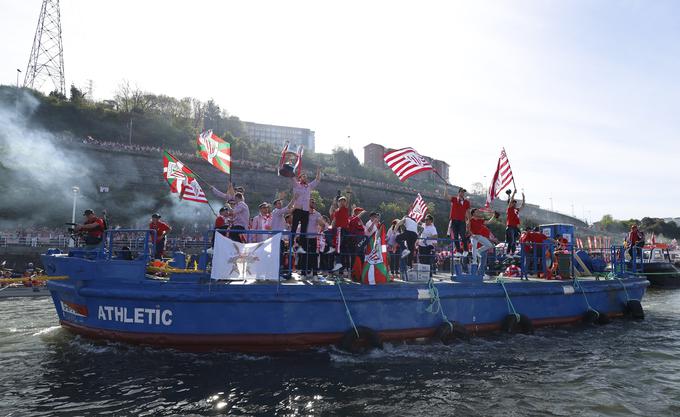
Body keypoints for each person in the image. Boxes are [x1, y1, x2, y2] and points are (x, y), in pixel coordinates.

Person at [290, 168, 321, 242]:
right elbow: (291, 176)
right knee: (294, 227)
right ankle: (290, 245)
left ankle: (301, 247)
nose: (305, 178)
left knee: (303, 230)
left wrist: (318, 171)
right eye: (303, 176)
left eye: (306, 177)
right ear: (299, 178)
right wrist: (291, 167)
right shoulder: (296, 185)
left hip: (305, 210)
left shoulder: (309, 186)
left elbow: (317, 180)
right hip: (297, 209)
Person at [468, 209, 499, 277]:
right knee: (474, 244)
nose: (478, 212)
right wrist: (472, 234)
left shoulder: (480, 220)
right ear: (473, 213)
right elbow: (468, 228)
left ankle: (479, 251)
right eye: (476, 212)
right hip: (473, 236)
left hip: (479, 236)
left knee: (490, 245)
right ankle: (474, 261)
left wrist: (494, 216)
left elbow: (488, 222)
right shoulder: (470, 220)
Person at [446, 187, 471, 257]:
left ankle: (466, 250)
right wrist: (446, 187)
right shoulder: (454, 199)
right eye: (461, 192)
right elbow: (446, 196)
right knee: (455, 237)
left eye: (463, 192)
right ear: (459, 193)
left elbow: (468, 211)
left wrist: (469, 220)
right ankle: (458, 251)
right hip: (454, 220)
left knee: (463, 236)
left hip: (462, 221)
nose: (463, 193)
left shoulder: (466, 202)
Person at [506, 190, 525, 256]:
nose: (514, 203)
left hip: (515, 227)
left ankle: (513, 253)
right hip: (510, 226)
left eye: (515, 203)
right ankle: (508, 253)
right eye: (513, 202)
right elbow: (511, 200)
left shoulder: (516, 210)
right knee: (511, 240)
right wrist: (514, 193)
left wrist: (523, 197)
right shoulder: (509, 209)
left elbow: (523, 206)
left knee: (514, 241)